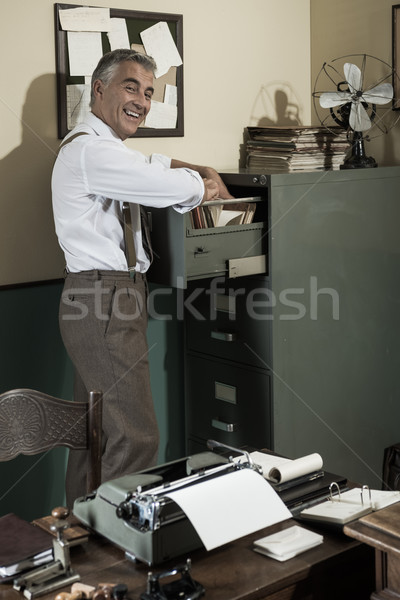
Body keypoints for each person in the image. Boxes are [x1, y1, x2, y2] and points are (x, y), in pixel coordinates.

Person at [52, 48, 233, 507]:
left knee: (93, 438)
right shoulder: (91, 151)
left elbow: (150, 165)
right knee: (135, 439)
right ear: (99, 89)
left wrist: (198, 168)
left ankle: (79, 545)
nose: (142, 101)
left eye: (149, 92)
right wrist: (202, 185)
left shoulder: (105, 151)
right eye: (131, 86)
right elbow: (164, 185)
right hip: (105, 299)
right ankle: (115, 554)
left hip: (101, 298)